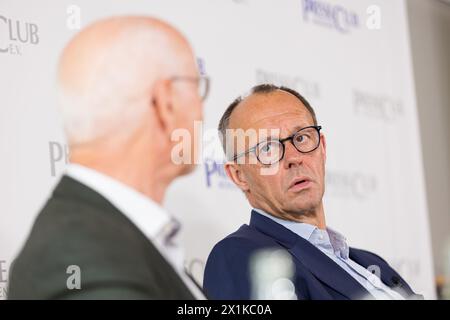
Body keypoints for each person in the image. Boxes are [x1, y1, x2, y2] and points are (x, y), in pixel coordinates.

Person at [8, 16, 209, 299]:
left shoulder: (109, 239)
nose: (202, 109)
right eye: (196, 88)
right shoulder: (84, 258)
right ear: (165, 102)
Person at [203, 84, 422, 300]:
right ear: (239, 175)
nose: (294, 157)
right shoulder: (241, 257)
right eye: (267, 148)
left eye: (301, 138)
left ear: (322, 148)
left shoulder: (370, 262)